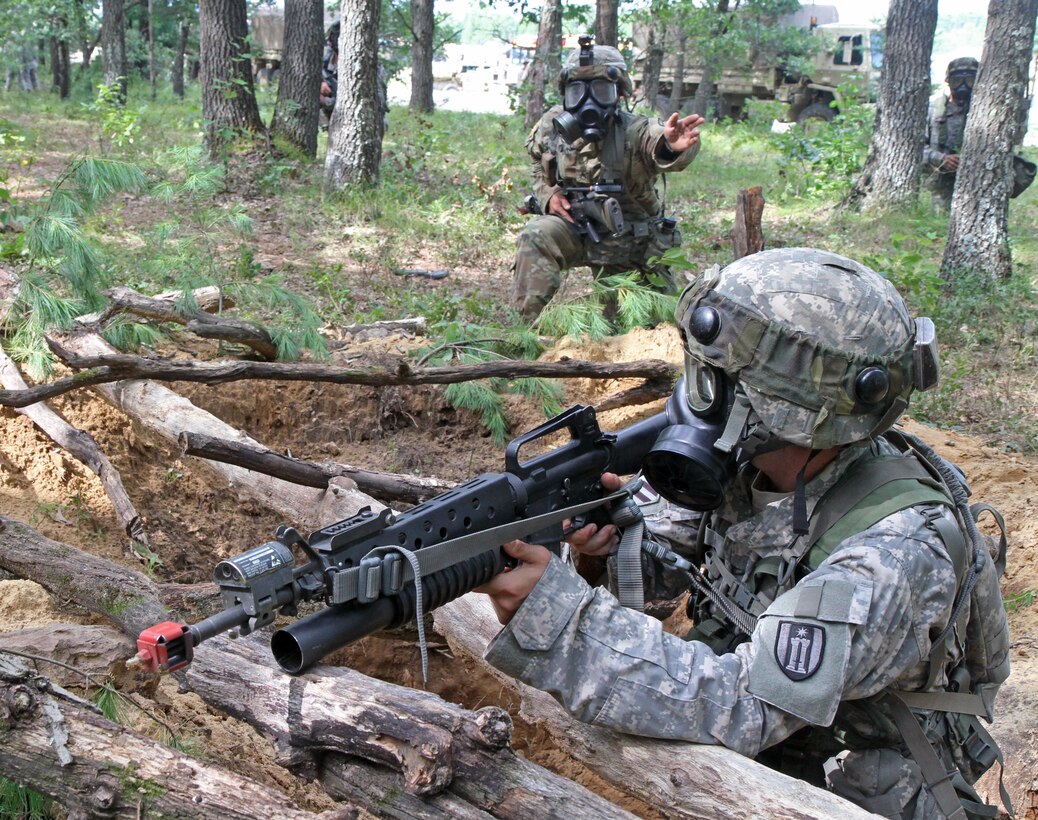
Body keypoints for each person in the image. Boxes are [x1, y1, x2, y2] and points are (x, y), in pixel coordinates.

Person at [477, 248, 1011, 819]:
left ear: (780, 409)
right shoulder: (753, 461)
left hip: (855, 784)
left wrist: (556, 616)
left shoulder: (892, 553)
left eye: (717, 380)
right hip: (784, 742)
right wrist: (602, 544)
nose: (696, 394)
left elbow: (739, 704)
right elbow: (660, 571)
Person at [513, 36, 705, 321]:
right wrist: (549, 194)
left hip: (630, 246)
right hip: (576, 231)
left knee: (641, 332)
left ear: (619, 93)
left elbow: (658, 144)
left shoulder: (635, 131)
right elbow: (537, 162)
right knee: (536, 235)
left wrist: (670, 145)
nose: (588, 102)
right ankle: (529, 335)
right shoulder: (552, 127)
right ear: (565, 94)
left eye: (601, 91)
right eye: (577, 92)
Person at [923, 57, 979, 209]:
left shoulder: (983, 112)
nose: (963, 86)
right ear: (948, 81)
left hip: (975, 184)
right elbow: (916, 148)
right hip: (939, 183)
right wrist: (941, 159)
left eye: (969, 80)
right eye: (957, 81)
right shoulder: (934, 111)